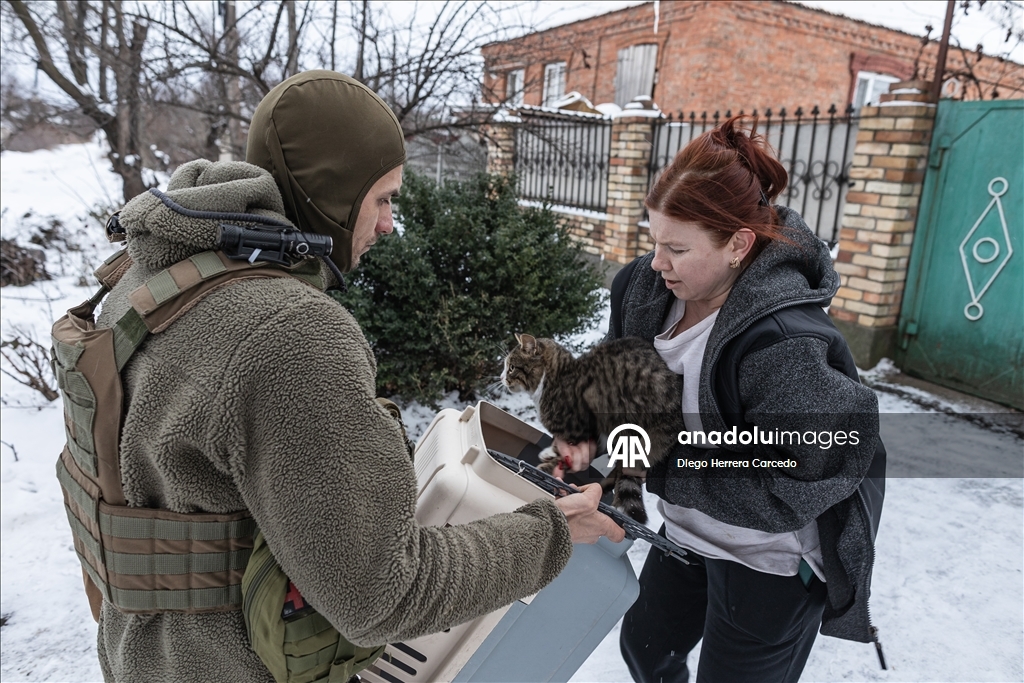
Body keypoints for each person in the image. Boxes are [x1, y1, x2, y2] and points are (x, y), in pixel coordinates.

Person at [89, 70, 623, 682]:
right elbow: (381, 596)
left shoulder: (150, 280)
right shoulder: (289, 334)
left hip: (144, 656)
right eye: (383, 198)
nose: (390, 223)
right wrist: (554, 531)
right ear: (332, 195)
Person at [553, 115, 885, 683]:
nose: (657, 262)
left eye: (677, 248)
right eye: (654, 241)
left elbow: (797, 480)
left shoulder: (786, 345)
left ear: (738, 245)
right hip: (687, 530)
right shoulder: (644, 290)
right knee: (646, 649)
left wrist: (656, 469)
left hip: (772, 560)